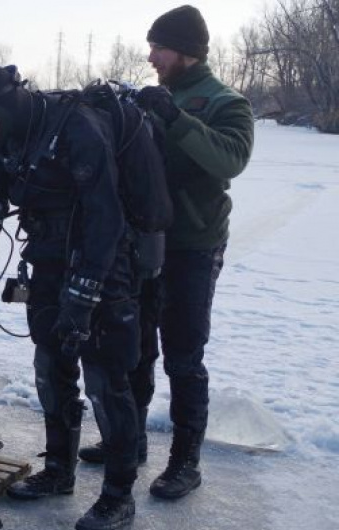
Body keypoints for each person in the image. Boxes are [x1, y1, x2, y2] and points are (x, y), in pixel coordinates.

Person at [0, 63, 164, 530]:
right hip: (48, 262)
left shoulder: (77, 127)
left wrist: (85, 293)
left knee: (106, 382)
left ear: (3, 108)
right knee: (51, 368)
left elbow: (106, 215)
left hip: (105, 264)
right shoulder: (6, 139)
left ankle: (118, 497)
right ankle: (58, 471)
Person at [77, 5, 255, 500]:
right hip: (142, 243)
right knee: (135, 347)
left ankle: (185, 461)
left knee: (183, 354)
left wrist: (174, 117)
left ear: (185, 51)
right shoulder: (151, 96)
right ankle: (129, 442)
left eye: (158, 48)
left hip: (192, 246)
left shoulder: (226, 102)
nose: (151, 57)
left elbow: (229, 159)